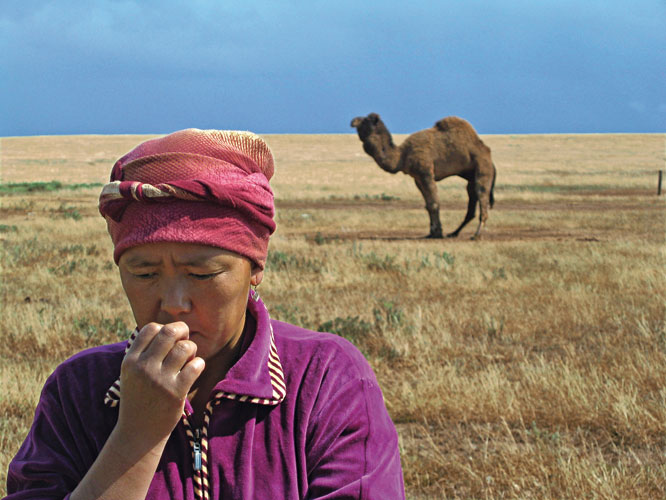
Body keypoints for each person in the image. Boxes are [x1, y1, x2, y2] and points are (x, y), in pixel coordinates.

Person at [5, 129, 405, 499]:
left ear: (255, 268)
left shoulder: (325, 380)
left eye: (202, 273)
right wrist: (136, 437)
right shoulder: (79, 390)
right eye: (144, 273)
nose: (173, 302)